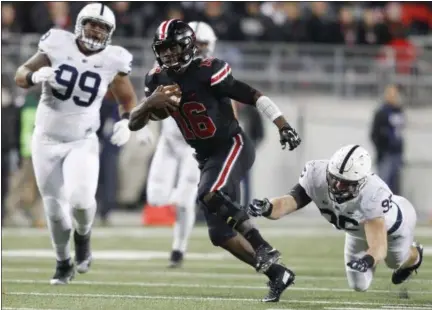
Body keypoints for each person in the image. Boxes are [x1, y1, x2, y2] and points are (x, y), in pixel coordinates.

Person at [129, 19, 301, 302]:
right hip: (206, 156)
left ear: (187, 45)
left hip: (232, 145)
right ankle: (278, 273)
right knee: (220, 235)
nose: (169, 54)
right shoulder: (156, 79)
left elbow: (252, 95)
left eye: (173, 47)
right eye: (164, 49)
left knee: (208, 193)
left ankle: (263, 247)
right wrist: (149, 103)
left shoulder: (209, 70)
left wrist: (282, 124)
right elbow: (135, 124)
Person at [14, 3, 150, 285]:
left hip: (81, 141)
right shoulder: (57, 43)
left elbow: (127, 98)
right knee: (54, 209)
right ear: (79, 23)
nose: (96, 30)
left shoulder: (114, 59)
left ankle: (84, 238)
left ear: (110, 33)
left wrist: (126, 122)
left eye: (103, 27)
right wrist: (33, 76)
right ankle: (63, 262)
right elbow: (21, 74)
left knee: (80, 201)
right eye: (92, 24)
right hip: (46, 140)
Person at [247, 144, 423, 292]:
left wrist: (367, 260)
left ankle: (415, 256)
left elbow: (378, 246)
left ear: (360, 182)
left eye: (345, 183)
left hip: (394, 228)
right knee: (359, 286)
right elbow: (288, 202)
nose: (337, 185)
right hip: (356, 231)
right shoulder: (317, 173)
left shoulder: (374, 193)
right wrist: (267, 206)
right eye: (335, 178)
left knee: (395, 262)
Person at [145, 21, 218, 268]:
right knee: (155, 198)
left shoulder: (214, 73)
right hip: (169, 140)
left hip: (195, 145)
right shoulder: (162, 71)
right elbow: (149, 104)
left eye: (202, 45)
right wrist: (143, 125)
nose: (198, 49)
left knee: (185, 202)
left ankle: (178, 249)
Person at [370, 84, 405, 195]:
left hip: (397, 154)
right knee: (383, 186)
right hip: (385, 154)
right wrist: (381, 149)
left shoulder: (399, 111)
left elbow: (400, 133)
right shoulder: (381, 112)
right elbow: (373, 134)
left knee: (395, 186)